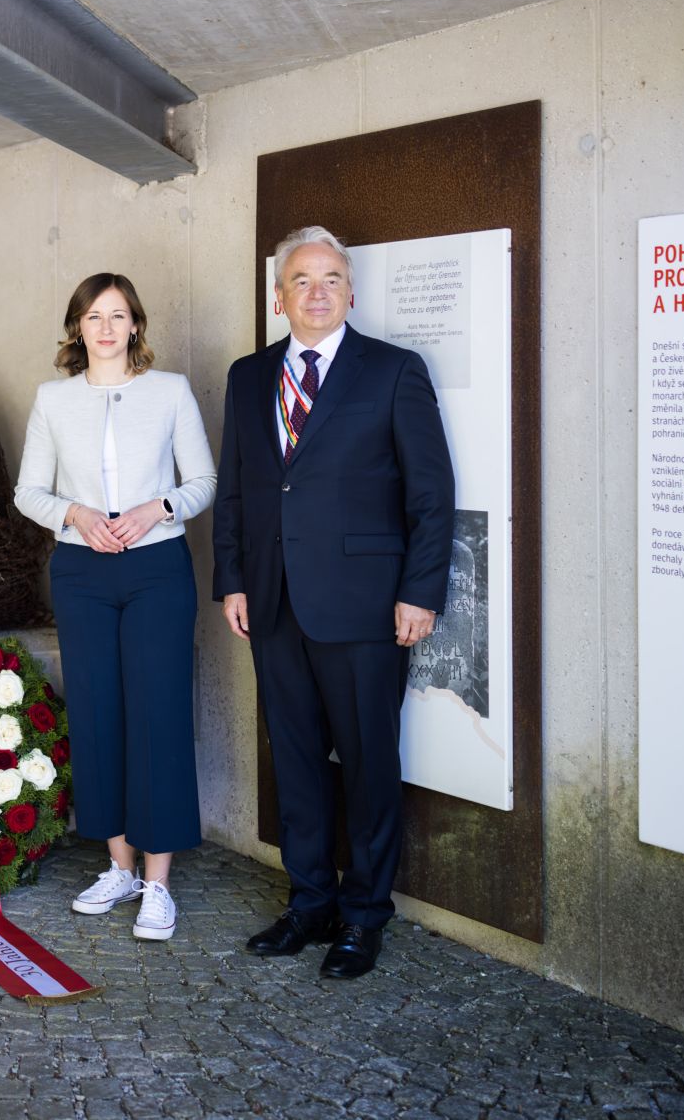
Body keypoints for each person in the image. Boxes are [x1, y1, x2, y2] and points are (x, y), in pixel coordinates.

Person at [212, 225, 454, 979]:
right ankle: (310, 900)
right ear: (278, 296)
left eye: (331, 279)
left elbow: (431, 493)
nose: (316, 293)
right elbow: (239, 489)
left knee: (369, 761)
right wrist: (232, 577)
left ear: (352, 293)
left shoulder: (393, 371)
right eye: (301, 280)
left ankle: (363, 915)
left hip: (366, 606)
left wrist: (420, 591)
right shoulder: (248, 377)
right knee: (296, 758)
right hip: (273, 601)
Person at [13, 272, 216, 942]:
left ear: (136, 325)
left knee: (156, 713)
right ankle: (120, 867)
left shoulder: (171, 392)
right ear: (78, 327)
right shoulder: (52, 399)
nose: (106, 326)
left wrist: (156, 507)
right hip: (80, 568)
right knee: (98, 714)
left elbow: (203, 481)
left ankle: (158, 883)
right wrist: (72, 512)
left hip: (158, 566)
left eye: (118, 314)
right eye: (93, 315)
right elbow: (28, 492)